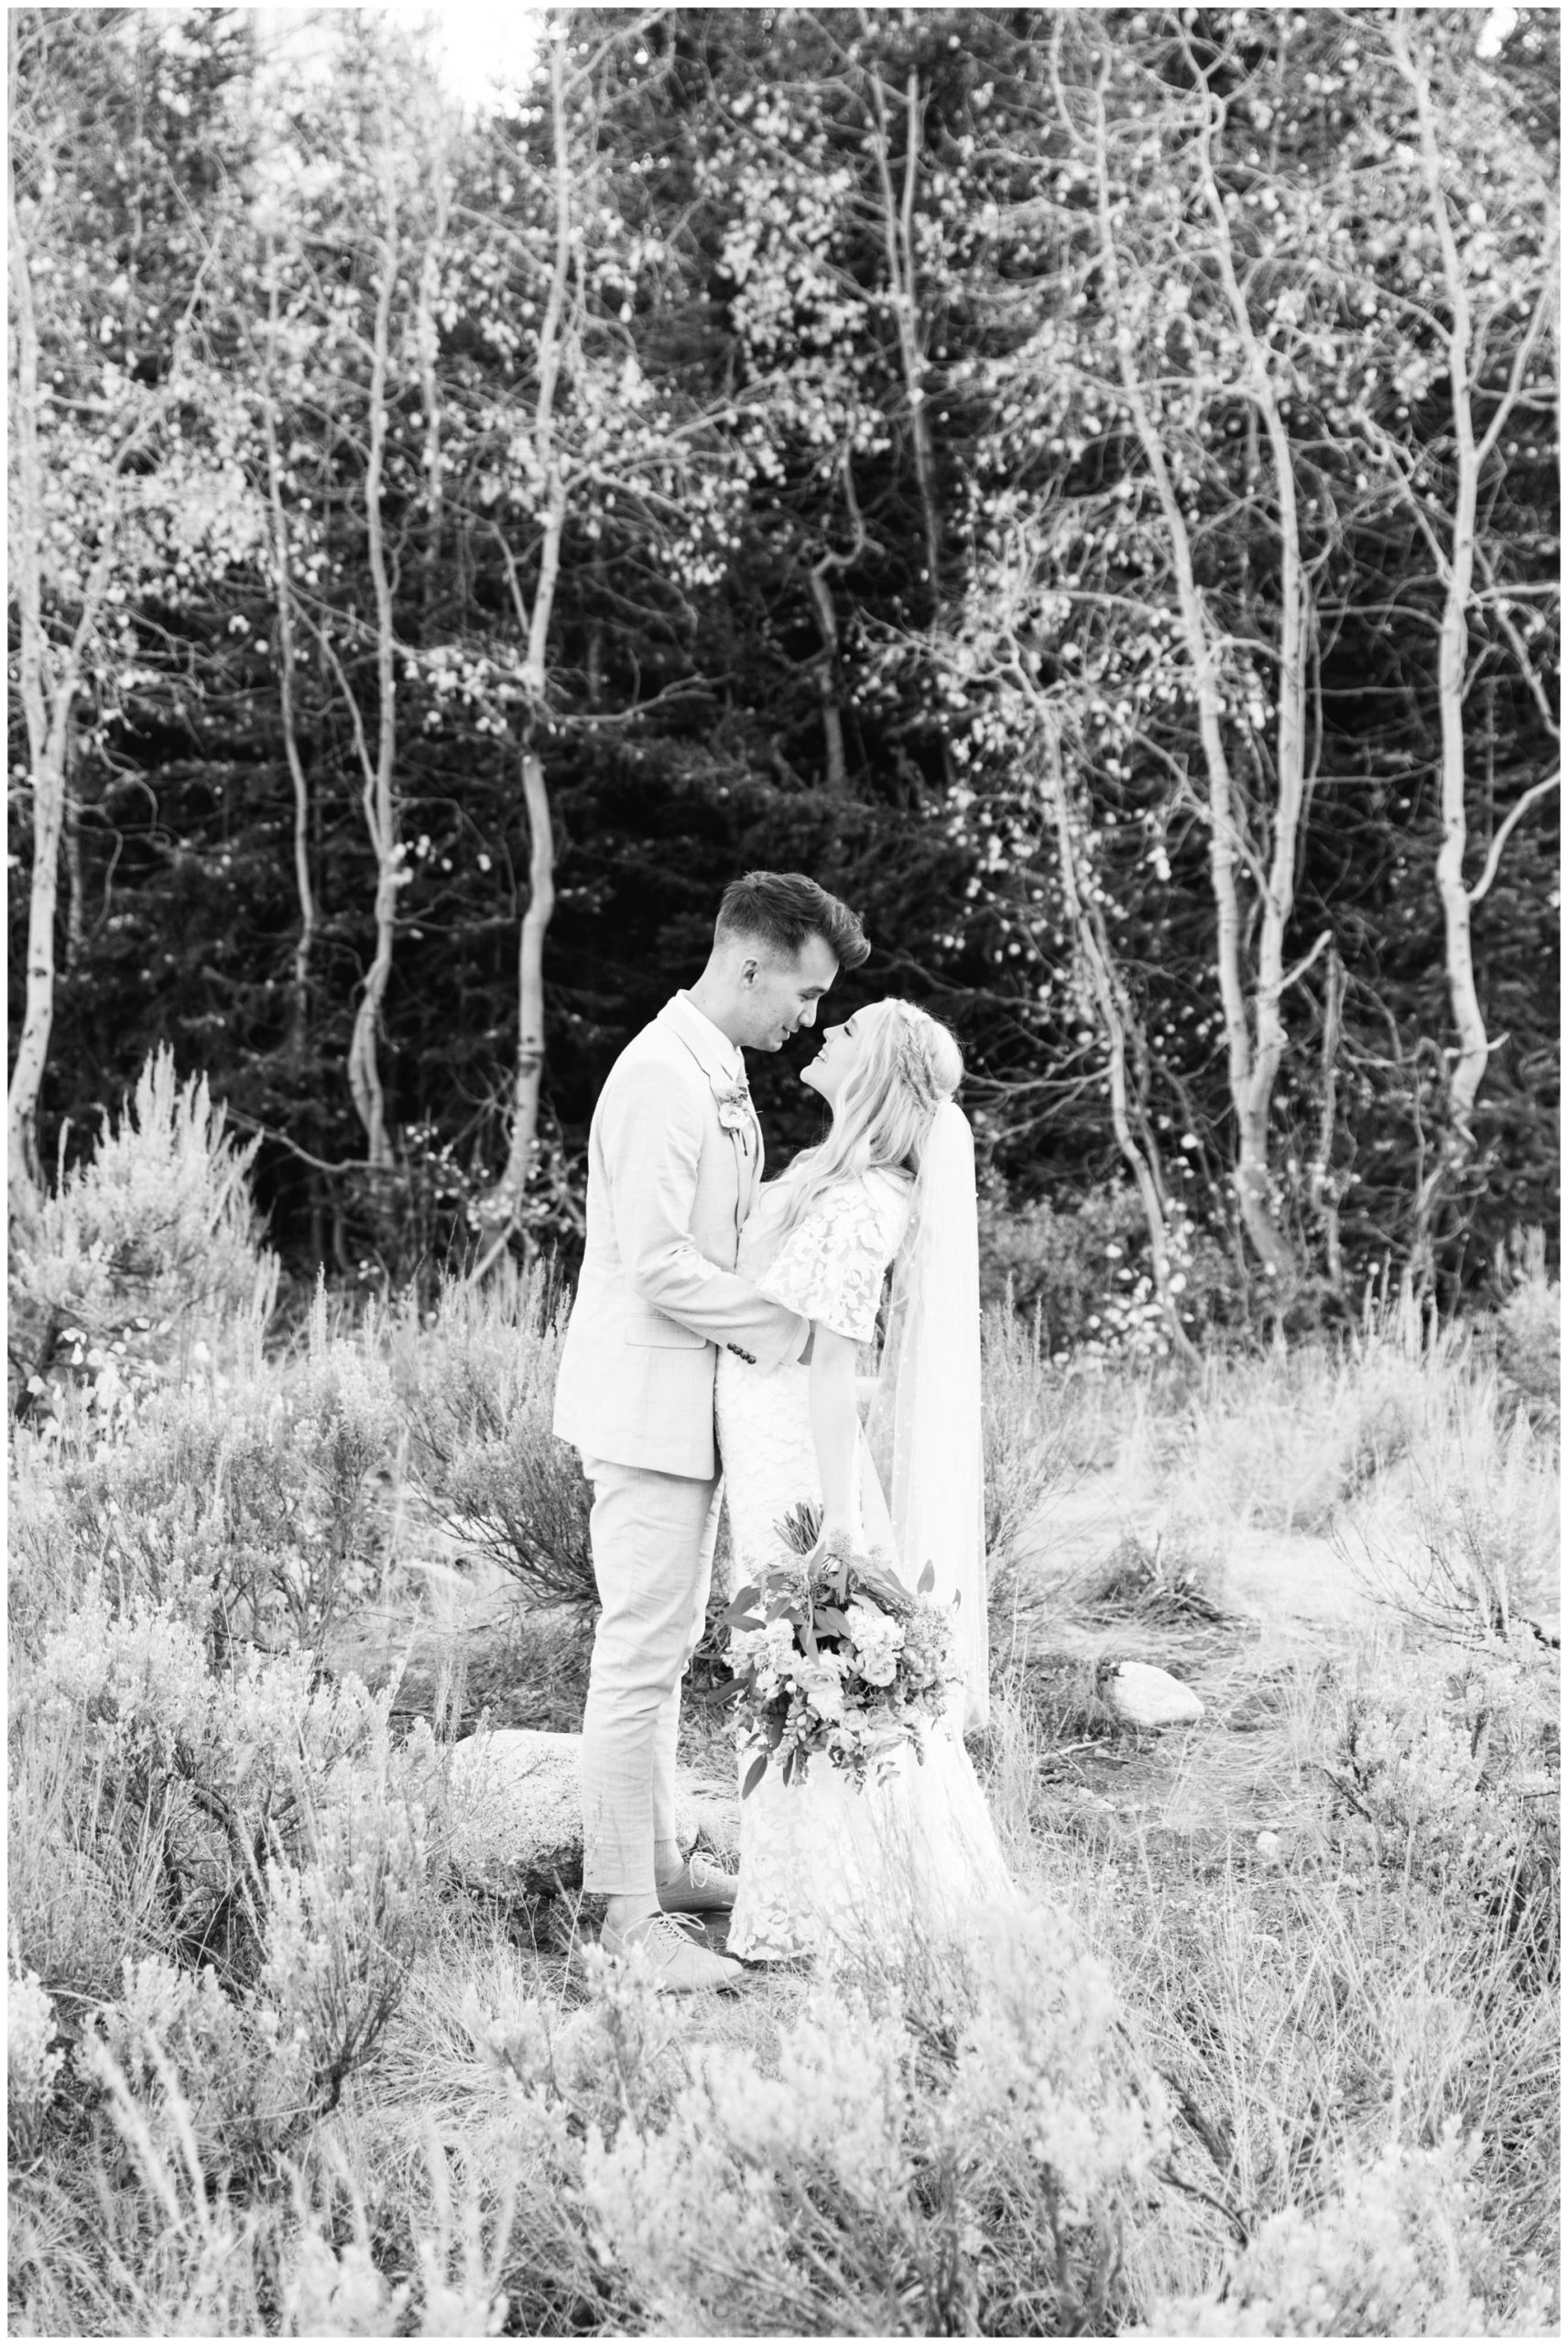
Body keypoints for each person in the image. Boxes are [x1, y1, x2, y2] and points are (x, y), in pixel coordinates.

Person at [553, 870, 870, 1991]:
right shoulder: (656, 1078)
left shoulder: (717, 1070)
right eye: (805, 992)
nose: (810, 1019)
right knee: (638, 1652)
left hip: (689, 1411)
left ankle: (661, 1863)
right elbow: (656, 1262)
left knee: (666, 1639)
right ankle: (623, 1920)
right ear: (748, 965)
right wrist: (789, 1325)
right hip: (642, 1410)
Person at [716, 998, 1012, 1968]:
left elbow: (835, 1362)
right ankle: (812, 1891)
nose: (824, 1037)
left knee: (814, 1672)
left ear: (873, 1073)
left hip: (801, 1463)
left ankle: (853, 1902)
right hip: (772, 1441)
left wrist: (837, 1523)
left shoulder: (864, 1201)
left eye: (844, 1034)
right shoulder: (828, 1176)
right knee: (801, 1678)